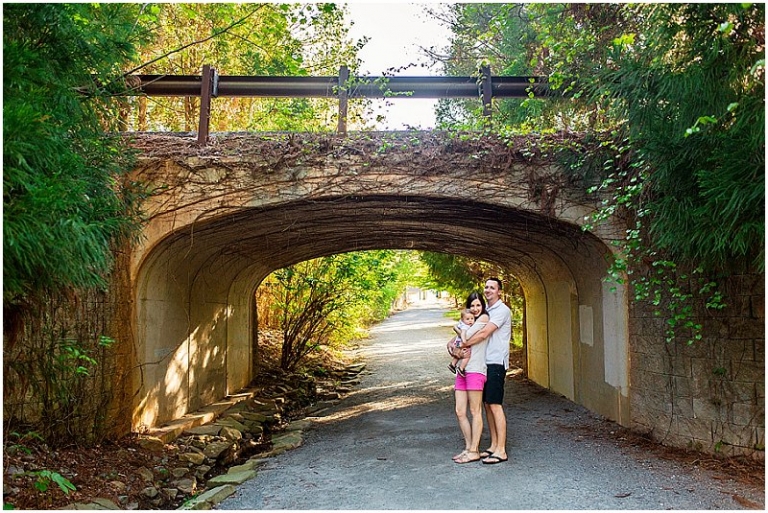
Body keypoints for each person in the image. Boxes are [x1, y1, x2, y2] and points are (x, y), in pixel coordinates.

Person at [459, 278, 511, 465]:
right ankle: (493, 445)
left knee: (495, 404)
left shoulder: (502, 310)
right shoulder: (485, 311)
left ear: (499, 291)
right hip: (484, 363)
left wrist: (462, 343)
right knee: (488, 404)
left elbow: (482, 334)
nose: (488, 290)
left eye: (492, 287)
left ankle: (501, 450)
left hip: (496, 362)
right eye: (486, 287)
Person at [449, 292, 490, 464]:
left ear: (483, 306)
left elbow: (465, 339)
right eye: (472, 306)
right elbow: (451, 344)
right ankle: (468, 447)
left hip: (475, 370)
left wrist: (457, 335)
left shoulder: (484, 319)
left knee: (475, 411)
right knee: (460, 411)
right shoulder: (467, 322)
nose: (475, 309)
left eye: (478, 305)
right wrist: (455, 349)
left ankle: (474, 450)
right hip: (462, 371)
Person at [447, 308, 475, 377]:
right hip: (461, 342)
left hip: (457, 342)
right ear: (463, 319)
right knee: (467, 356)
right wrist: (464, 342)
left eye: (472, 318)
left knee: (458, 354)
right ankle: (461, 368)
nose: (470, 321)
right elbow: (463, 334)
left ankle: (452, 364)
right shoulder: (465, 327)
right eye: (467, 319)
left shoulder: (461, 323)